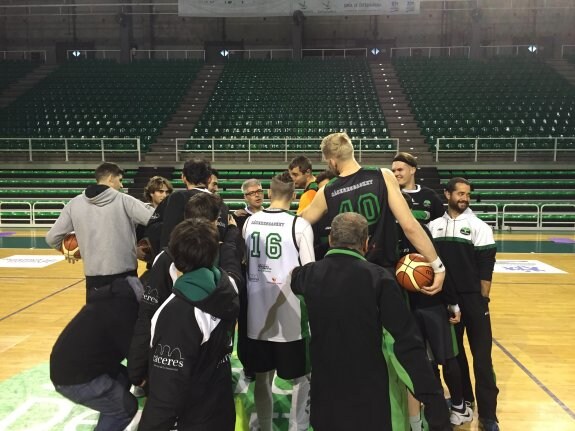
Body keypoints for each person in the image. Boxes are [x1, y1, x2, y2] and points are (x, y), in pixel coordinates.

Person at [290, 212, 452, 431]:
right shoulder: (380, 280)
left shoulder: (306, 276)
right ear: (366, 242)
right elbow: (405, 346)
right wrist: (434, 403)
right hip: (371, 400)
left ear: (330, 240)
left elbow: (294, 278)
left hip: (325, 397)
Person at [300, 132, 445, 294]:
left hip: (348, 277)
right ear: (351, 152)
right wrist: (437, 265)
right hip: (383, 273)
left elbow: (299, 222)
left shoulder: (327, 191)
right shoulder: (383, 175)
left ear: (332, 161)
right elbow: (410, 226)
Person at [128, 192, 243, 391]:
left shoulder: (165, 257)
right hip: (209, 365)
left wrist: (136, 369)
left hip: (171, 361)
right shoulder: (221, 255)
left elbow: (147, 315)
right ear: (215, 222)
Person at [138, 218, 240, 430]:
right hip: (221, 408)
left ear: (174, 256)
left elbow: (167, 392)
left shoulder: (177, 313)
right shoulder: (226, 287)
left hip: (192, 417)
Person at [242, 172, 315, 431]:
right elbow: (310, 274)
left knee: (262, 377)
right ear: (294, 195)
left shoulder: (249, 224)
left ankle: (265, 426)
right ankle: (298, 427)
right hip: (290, 317)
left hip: (256, 318)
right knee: (300, 379)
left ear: (269, 194)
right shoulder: (299, 225)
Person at [428, 177, 499, 431]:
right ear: (447, 194)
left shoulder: (479, 226)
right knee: (455, 358)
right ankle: (465, 401)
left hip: (474, 301)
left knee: (482, 359)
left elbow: (485, 269)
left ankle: (489, 415)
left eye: (467, 194)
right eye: (459, 194)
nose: (464, 198)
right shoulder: (433, 226)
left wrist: (482, 301)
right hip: (447, 301)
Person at [398, 192, 472, 430]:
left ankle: (444, 406)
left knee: (430, 361)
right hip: (430, 304)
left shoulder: (390, 234)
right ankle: (454, 407)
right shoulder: (422, 231)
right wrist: (452, 303)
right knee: (445, 357)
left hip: (414, 306)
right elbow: (441, 267)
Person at [50, 276, 144, 431]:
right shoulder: (124, 315)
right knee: (126, 408)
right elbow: (136, 360)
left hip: (69, 368)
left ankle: (110, 410)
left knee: (123, 378)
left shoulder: (109, 301)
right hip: (74, 380)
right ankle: (113, 416)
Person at [46, 162, 155, 294]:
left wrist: (69, 251)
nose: (121, 185)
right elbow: (153, 218)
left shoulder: (74, 203)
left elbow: (52, 238)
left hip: (93, 278)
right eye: (120, 180)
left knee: (98, 314)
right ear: (110, 178)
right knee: (125, 315)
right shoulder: (124, 200)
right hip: (126, 277)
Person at [159, 158, 228, 247]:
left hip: (182, 258)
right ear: (210, 178)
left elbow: (166, 235)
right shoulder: (222, 205)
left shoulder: (177, 197)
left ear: (183, 177)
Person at [391, 152, 444, 224]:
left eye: (400, 170)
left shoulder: (430, 195)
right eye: (393, 171)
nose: (396, 174)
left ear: (412, 170)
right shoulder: (389, 194)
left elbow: (442, 223)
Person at [311, 169, 336, 259]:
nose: (323, 194)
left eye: (326, 189)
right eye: (320, 191)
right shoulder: (315, 217)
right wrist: (330, 243)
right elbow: (313, 250)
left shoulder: (349, 211)